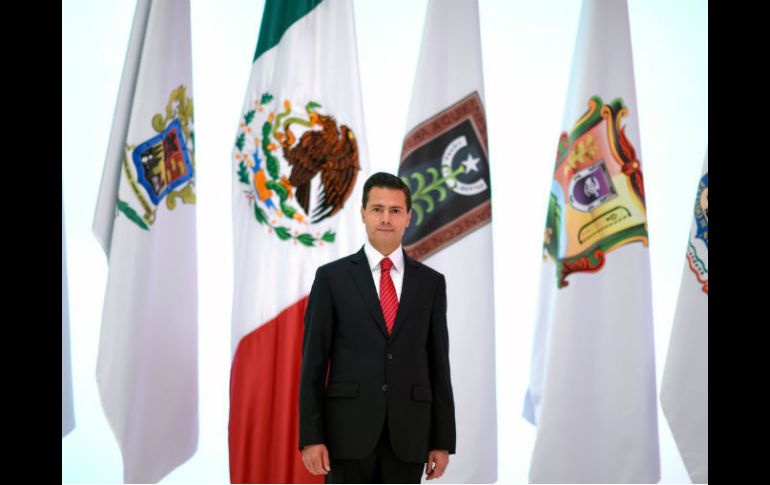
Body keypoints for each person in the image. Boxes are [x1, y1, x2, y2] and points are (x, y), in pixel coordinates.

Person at [299, 172, 456, 483]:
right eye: (377, 209)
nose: (386, 218)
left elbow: (438, 364)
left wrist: (442, 440)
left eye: (395, 210)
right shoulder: (331, 279)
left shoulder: (431, 283)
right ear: (363, 214)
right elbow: (313, 363)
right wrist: (311, 436)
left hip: (409, 435)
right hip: (346, 434)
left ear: (408, 216)